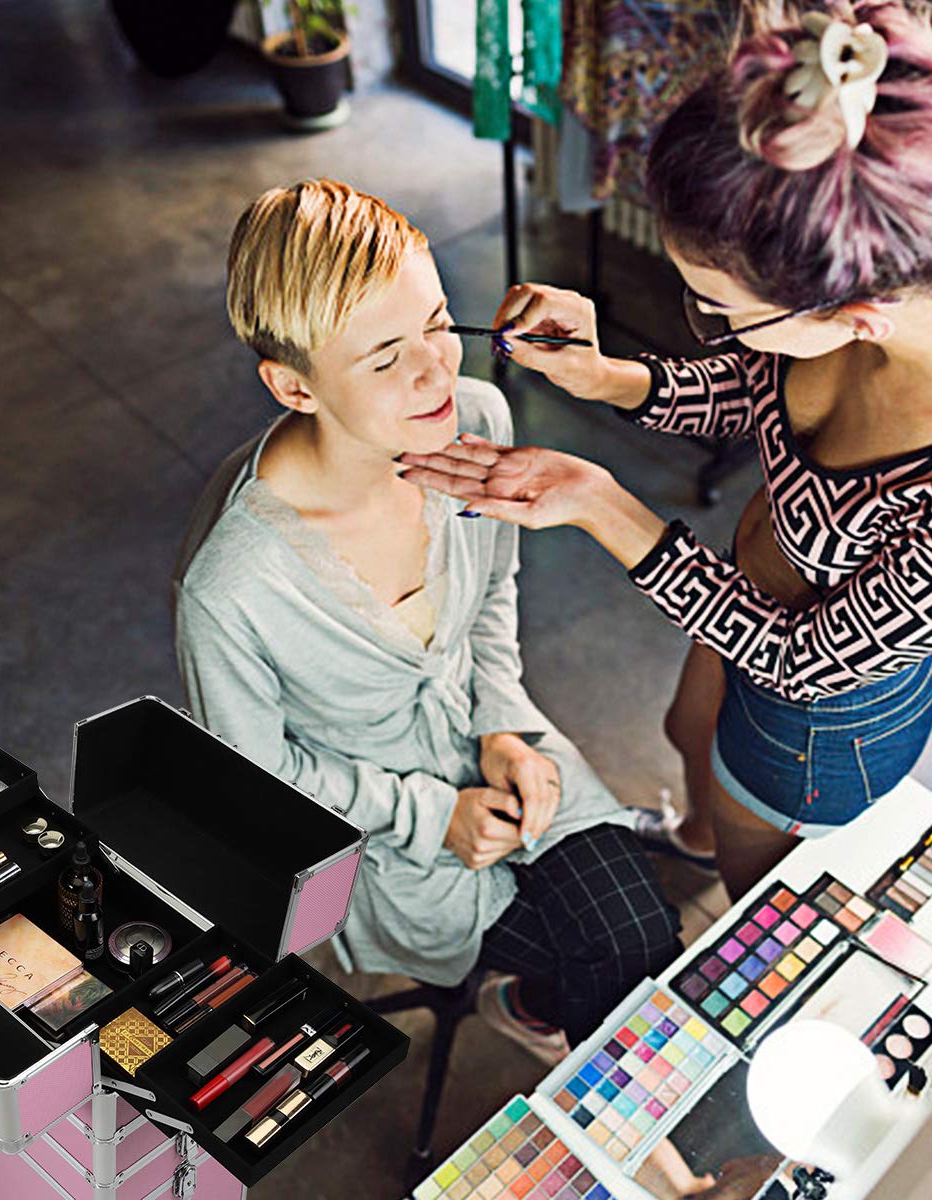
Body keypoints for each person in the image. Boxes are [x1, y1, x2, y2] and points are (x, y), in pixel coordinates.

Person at [399, 1, 932, 900]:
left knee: (752, 888)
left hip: (815, 715)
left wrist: (603, 504)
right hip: (737, 604)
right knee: (690, 732)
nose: (713, 327)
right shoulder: (852, 310)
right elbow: (760, 389)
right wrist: (610, 377)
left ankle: (709, 868)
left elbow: (802, 656)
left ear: (855, 318)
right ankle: (688, 831)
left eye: (720, 309)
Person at [172, 179, 681, 1056]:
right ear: (293, 387)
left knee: (643, 941)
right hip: (388, 838)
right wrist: (428, 815)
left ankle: (541, 1009)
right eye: (383, 359)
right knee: (610, 955)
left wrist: (506, 728)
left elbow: (490, 603)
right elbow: (259, 780)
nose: (436, 371)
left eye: (439, 324)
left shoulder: (474, 418)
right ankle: (548, 1019)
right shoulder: (233, 590)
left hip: (503, 754)